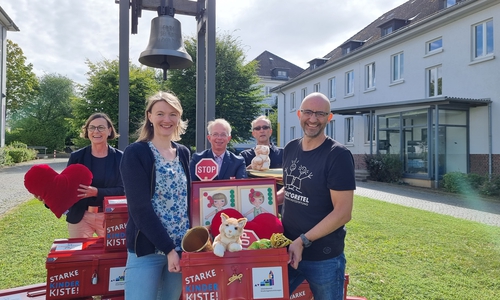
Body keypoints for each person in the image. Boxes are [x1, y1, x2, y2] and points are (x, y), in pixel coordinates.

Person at [277, 92, 356, 300]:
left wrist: (302, 241)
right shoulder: (291, 148)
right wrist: (272, 198)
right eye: (308, 112)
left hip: (323, 257)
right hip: (286, 249)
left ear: (329, 117)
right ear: (299, 114)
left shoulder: (338, 155)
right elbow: (293, 186)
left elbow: (343, 213)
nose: (313, 119)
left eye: (320, 114)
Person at [120, 91, 191, 300]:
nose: (166, 120)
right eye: (160, 113)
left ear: (179, 118)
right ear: (149, 116)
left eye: (172, 114)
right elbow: (139, 208)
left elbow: (188, 201)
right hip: (147, 250)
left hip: (180, 249)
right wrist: (168, 249)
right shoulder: (136, 153)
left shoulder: (184, 153)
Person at [66, 112, 124, 238]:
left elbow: (124, 190)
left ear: (109, 131)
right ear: (87, 131)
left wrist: (97, 192)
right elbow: (67, 188)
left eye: (101, 127)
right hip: (81, 216)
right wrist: (46, 195)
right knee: (80, 257)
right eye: (92, 127)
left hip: (111, 217)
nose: (96, 131)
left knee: (113, 257)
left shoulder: (121, 158)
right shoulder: (76, 157)